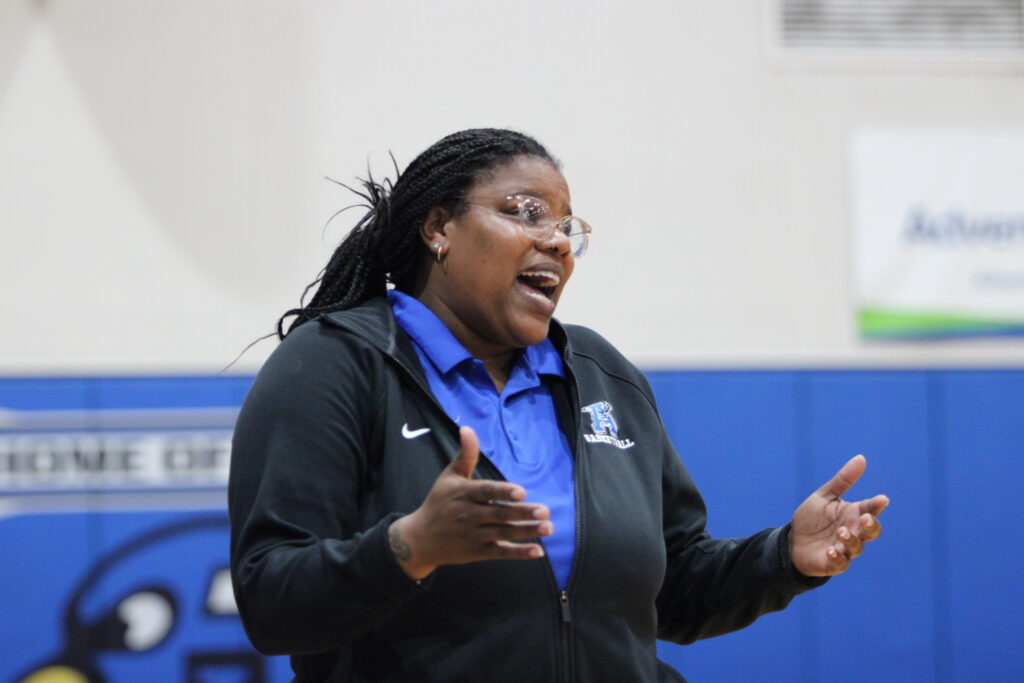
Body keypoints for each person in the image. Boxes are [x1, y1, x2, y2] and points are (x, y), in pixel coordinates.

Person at [228, 128, 888, 682]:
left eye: (568, 226)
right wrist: (410, 546)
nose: (559, 241)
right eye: (526, 212)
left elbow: (672, 587)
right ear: (439, 229)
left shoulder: (602, 375)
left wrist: (784, 555)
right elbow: (270, 600)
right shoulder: (334, 365)